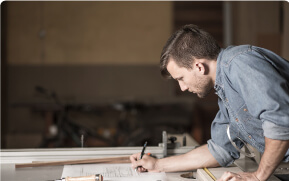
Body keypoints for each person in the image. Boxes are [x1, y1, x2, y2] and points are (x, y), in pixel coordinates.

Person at [130, 24, 289, 181]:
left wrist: (257, 177)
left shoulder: (239, 63)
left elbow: (280, 122)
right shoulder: (225, 90)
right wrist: (158, 165)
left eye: (181, 79)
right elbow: (219, 149)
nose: (183, 87)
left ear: (199, 67)